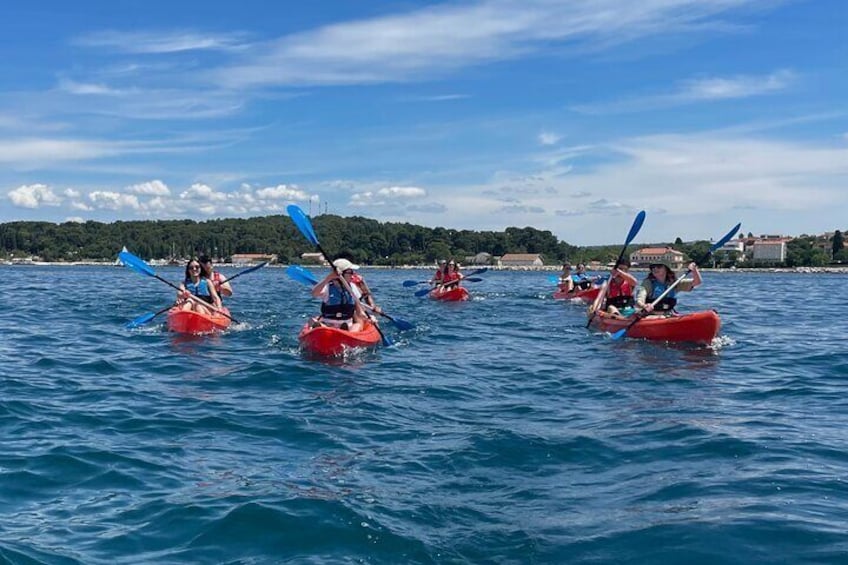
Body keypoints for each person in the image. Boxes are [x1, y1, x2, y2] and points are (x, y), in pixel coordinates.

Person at [310, 258, 368, 332]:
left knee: (357, 325)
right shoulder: (327, 287)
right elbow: (314, 293)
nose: (353, 275)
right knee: (312, 321)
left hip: (347, 324)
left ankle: (346, 333)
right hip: (328, 323)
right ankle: (323, 328)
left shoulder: (352, 287)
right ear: (341, 274)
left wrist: (368, 318)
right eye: (350, 272)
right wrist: (328, 278)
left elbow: (360, 312)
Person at [635, 261, 702, 315]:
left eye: (659, 266)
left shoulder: (674, 283)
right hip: (651, 314)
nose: (655, 269)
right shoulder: (648, 283)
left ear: (666, 269)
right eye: (653, 267)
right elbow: (639, 300)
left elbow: (697, 282)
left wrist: (694, 270)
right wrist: (644, 306)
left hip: (668, 314)